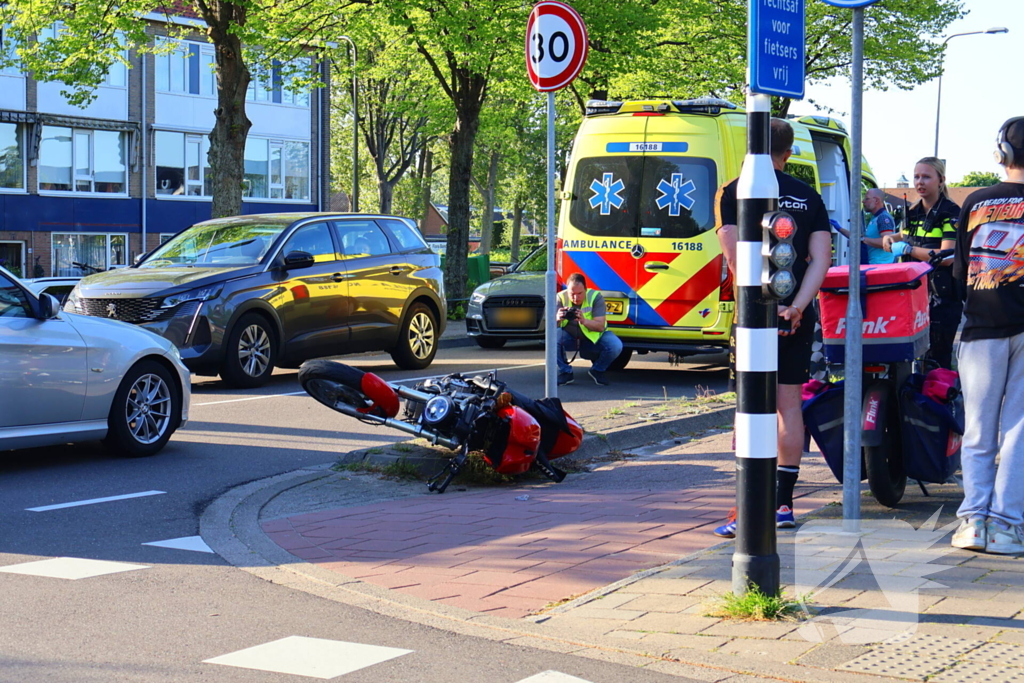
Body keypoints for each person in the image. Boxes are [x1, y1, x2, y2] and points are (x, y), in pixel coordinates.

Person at [713, 118, 833, 537]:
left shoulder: (733, 191)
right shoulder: (808, 196)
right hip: (796, 317)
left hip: (753, 317)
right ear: (789, 151)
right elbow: (821, 260)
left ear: (752, 148)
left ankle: (745, 504)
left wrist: (757, 305)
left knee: (749, 407)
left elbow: (733, 254)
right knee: (789, 406)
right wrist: (797, 306)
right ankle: (783, 503)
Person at [950, 117, 1024, 555]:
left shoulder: (978, 201)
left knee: (979, 428)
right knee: (1018, 429)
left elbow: (960, 272)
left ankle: (973, 522)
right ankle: (1007, 526)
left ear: (1003, 154)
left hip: (981, 327)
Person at [882, 157, 961, 368]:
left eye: (926, 176)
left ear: (941, 180)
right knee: (908, 356)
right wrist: (891, 238)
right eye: (916, 177)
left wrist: (908, 249)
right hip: (912, 293)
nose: (920, 182)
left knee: (936, 359)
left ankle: (938, 398)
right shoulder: (913, 211)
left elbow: (947, 256)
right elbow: (905, 234)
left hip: (941, 295)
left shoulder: (951, 213)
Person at [556, 272, 623, 387]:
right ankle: (565, 372)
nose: (576, 298)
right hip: (570, 337)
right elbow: (550, 326)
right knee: (553, 337)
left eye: (580, 293)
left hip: (594, 336)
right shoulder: (560, 297)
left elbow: (600, 326)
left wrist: (583, 320)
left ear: (586, 289)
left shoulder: (595, 297)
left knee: (616, 345)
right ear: (567, 290)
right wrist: (557, 318)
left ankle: (597, 370)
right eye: (572, 294)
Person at [833, 188, 897, 265]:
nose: (863, 201)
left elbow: (888, 242)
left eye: (867, 199)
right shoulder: (875, 218)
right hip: (876, 265)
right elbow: (859, 237)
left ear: (876, 200)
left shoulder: (883, 218)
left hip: (880, 267)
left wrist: (862, 239)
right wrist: (839, 228)